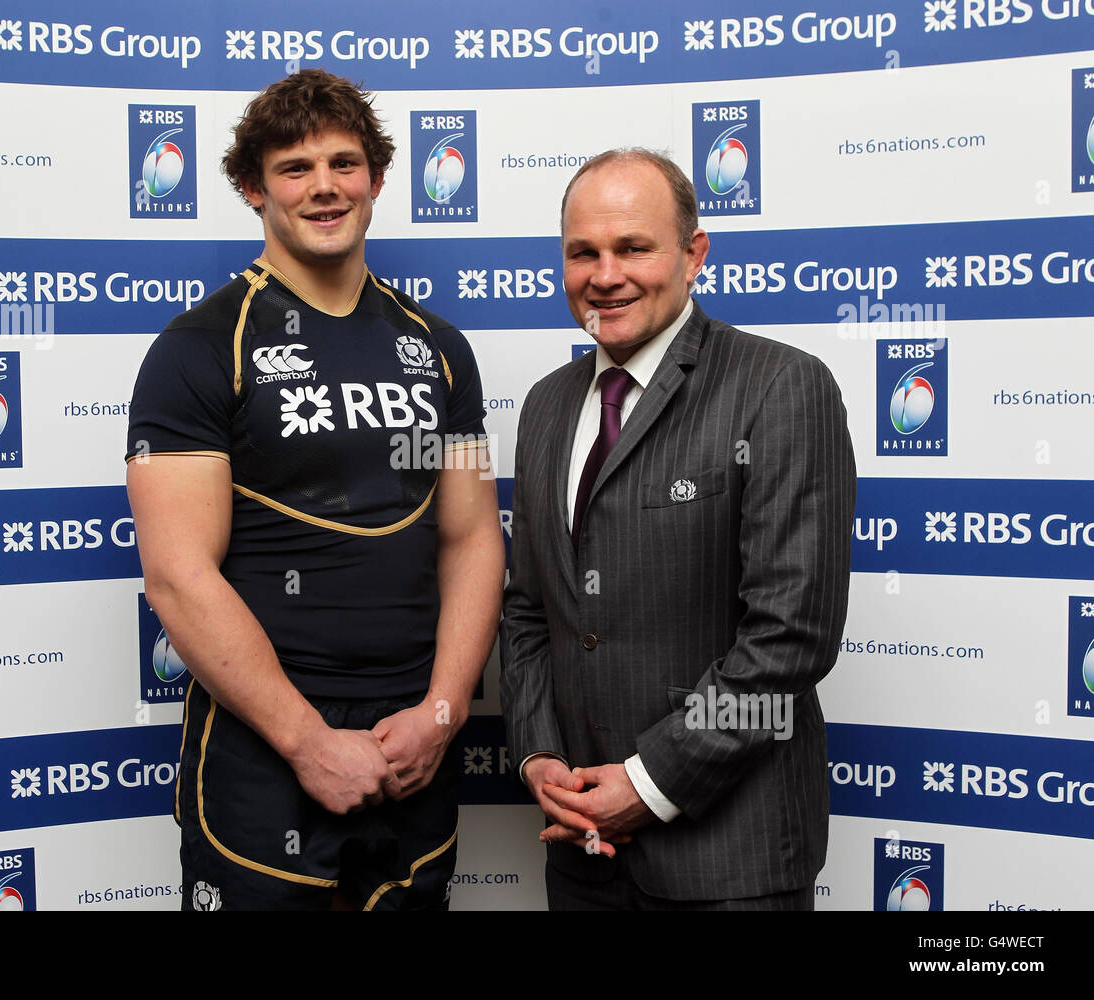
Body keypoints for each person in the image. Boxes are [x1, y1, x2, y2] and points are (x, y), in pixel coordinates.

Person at [125, 70, 504, 911]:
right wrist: (306, 743)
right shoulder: (197, 348)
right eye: (295, 168)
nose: (325, 186)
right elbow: (179, 575)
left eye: (344, 162)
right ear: (253, 187)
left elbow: (473, 537)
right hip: (265, 746)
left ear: (374, 177)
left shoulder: (441, 348)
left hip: (414, 743)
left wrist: (442, 713)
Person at [500, 148, 856, 910]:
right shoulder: (545, 407)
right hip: (581, 855)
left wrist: (649, 780)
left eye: (633, 247)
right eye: (582, 252)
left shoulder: (781, 387)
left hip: (731, 864)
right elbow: (531, 608)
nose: (605, 274)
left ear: (694, 255)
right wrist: (539, 756)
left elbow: (789, 639)